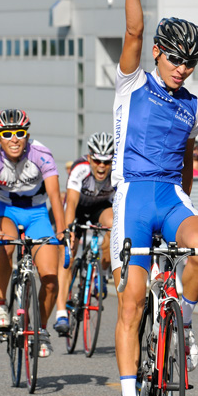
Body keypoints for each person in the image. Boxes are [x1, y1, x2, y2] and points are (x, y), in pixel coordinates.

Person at [112, 0, 198, 396]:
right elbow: (133, 31)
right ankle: (131, 393)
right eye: (175, 58)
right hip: (133, 194)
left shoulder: (194, 106)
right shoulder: (134, 82)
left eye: (190, 62)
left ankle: (184, 321)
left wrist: (186, 205)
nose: (182, 69)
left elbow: (187, 160)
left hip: (171, 195)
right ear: (157, 53)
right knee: (131, 303)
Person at [0, 109, 67, 359]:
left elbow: (54, 194)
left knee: (50, 279)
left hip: (37, 213)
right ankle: (0, 305)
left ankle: (39, 330)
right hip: (6, 210)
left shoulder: (41, 154)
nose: (14, 139)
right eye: (7, 134)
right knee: (4, 244)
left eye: (20, 133)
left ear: (27, 135)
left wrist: (61, 230)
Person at [53, 132, 116, 335]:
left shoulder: (117, 172)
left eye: (106, 162)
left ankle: (102, 273)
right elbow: (70, 203)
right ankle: (61, 311)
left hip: (101, 207)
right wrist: (69, 233)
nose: (101, 166)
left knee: (114, 228)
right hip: (78, 208)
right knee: (68, 255)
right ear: (90, 158)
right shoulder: (79, 169)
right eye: (97, 160)